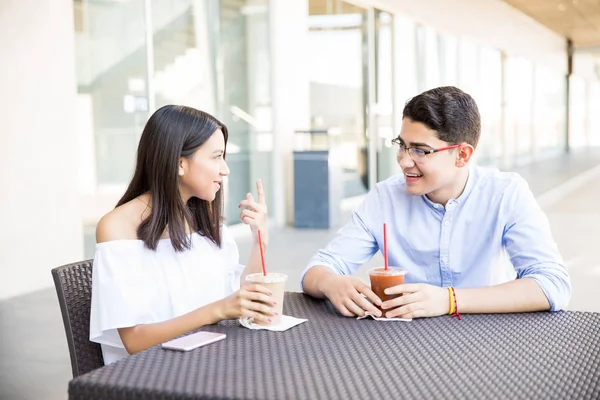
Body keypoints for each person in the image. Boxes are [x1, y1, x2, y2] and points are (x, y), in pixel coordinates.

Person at [301, 86, 571, 319]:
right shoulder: (385, 198)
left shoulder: (505, 194)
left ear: (462, 155)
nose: (404, 161)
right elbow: (318, 269)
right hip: (406, 345)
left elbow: (552, 284)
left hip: (490, 340)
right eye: (401, 145)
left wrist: (449, 300)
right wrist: (331, 282)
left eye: (420, 150)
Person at [90, 105, 276, 364]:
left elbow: (241, 298)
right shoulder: (117, 227)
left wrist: (260, 241)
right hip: (151, 375)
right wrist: (219, 309)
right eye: (216, 156)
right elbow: (134, 341)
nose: (225, 169)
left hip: (209, 361)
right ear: (180, 163)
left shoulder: (204, 221)